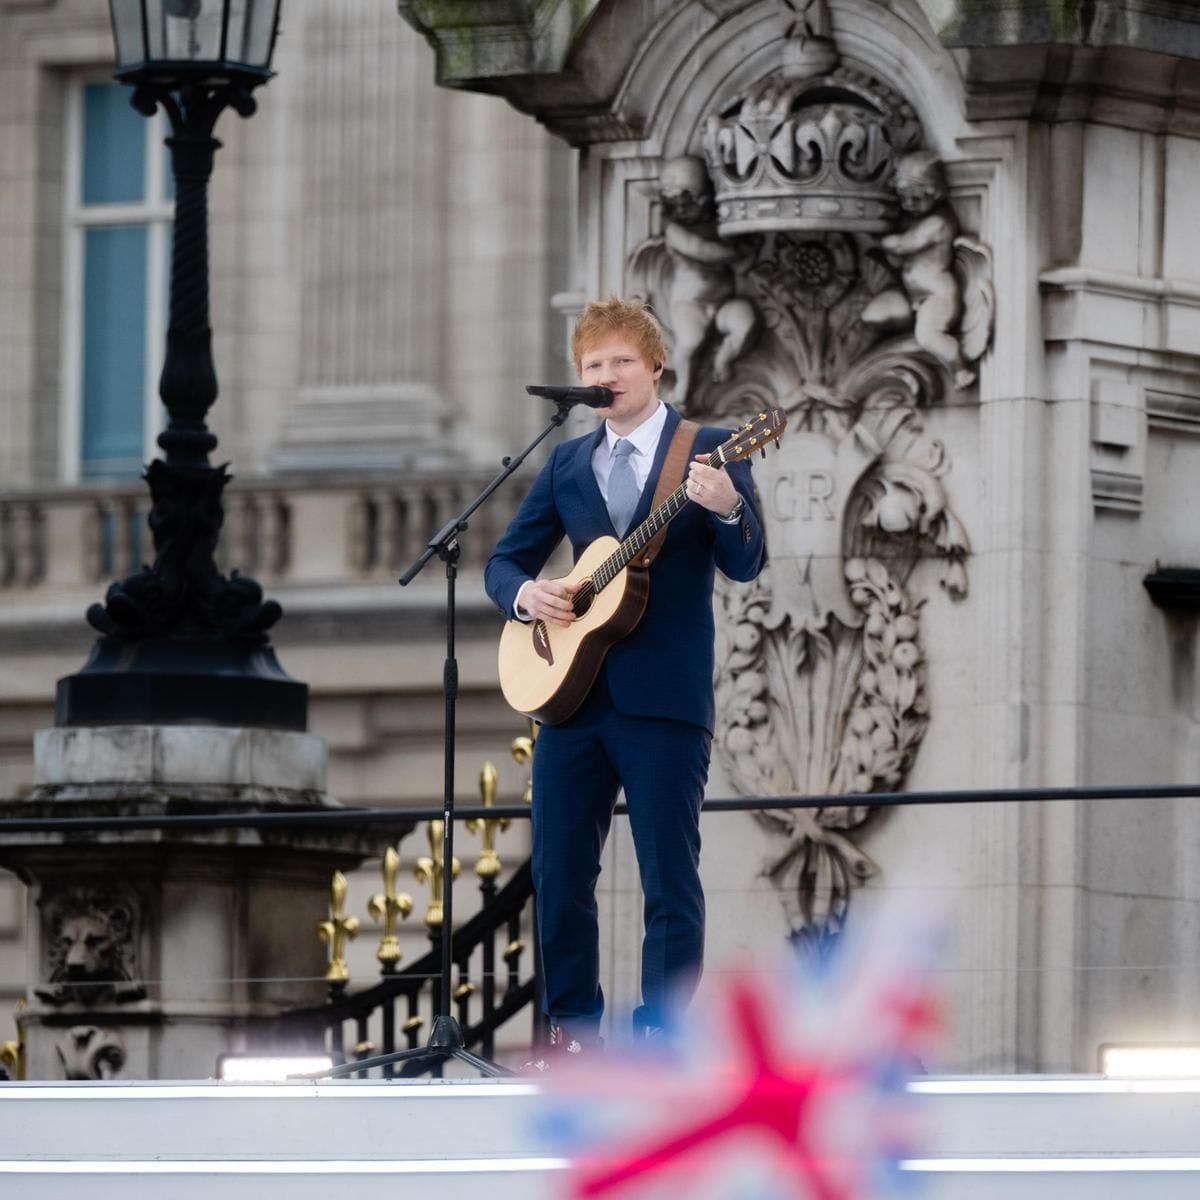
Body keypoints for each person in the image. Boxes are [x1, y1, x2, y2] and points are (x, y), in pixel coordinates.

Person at [484, 297, 766, 1052]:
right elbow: (504, 558)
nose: (606, 376)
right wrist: (525, 594)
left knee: (668, 878)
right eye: (593, 366)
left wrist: (730, 504)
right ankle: (573, 1032)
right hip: (569, 701)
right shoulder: (569, 462)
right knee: (559, 870)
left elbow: (747, 561)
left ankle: (659, 1037)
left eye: (620, 363)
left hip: (662, 700)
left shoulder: (706, 450)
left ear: (655, 368)